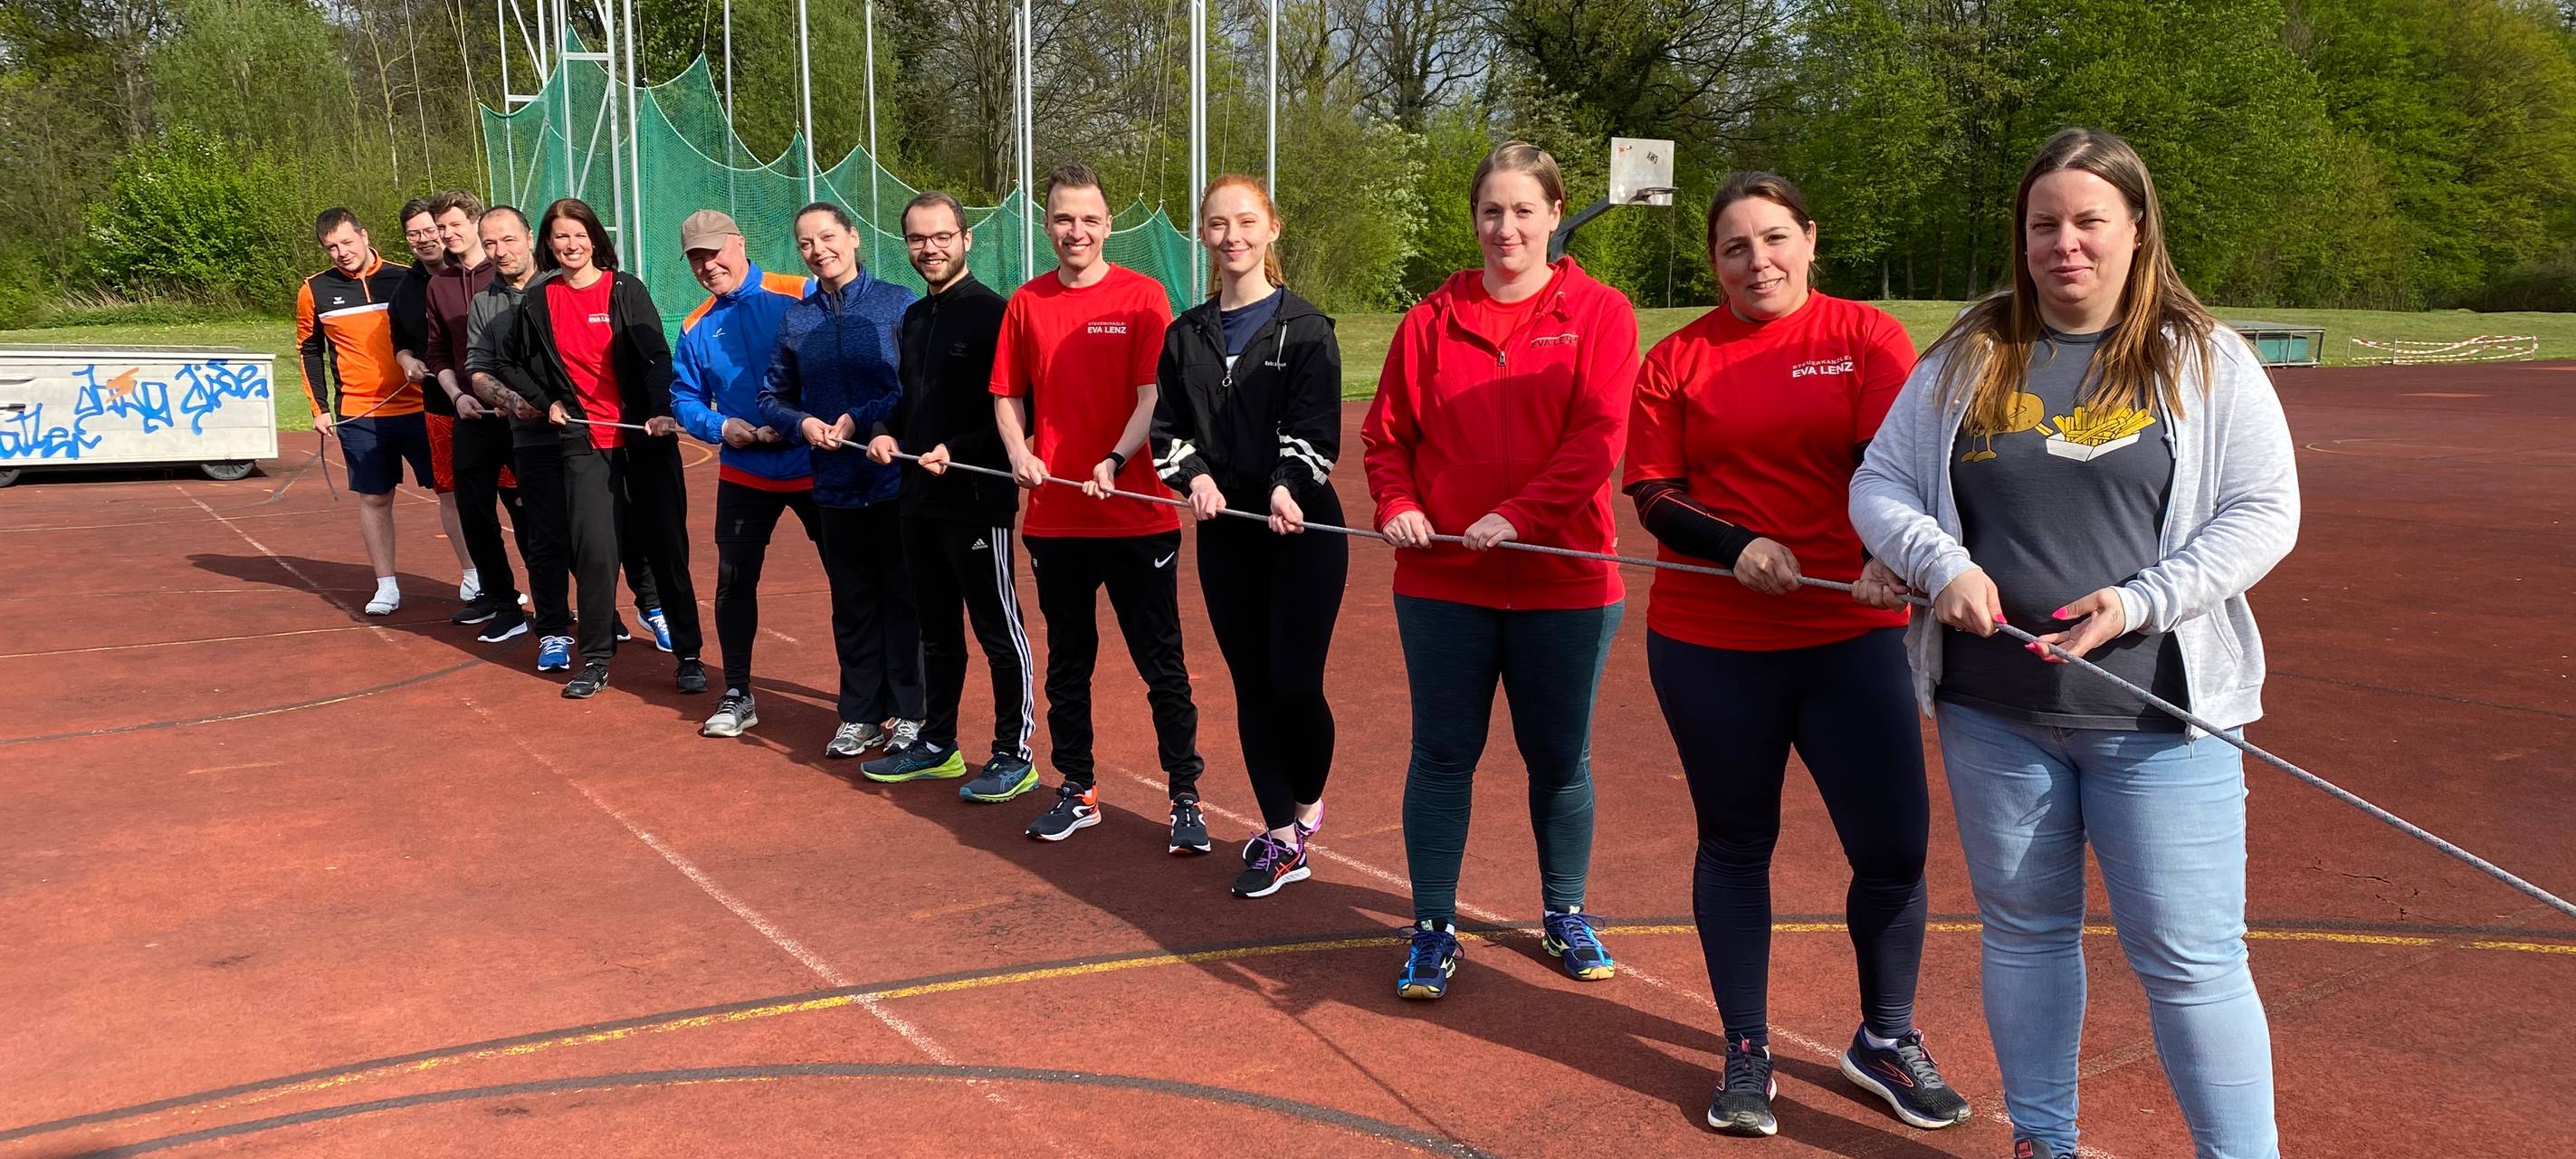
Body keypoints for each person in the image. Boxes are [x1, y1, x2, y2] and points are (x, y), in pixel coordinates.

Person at [1849, 127, 2298, 1159]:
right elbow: (1877, 481)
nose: (2065, 243)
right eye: (2043, 222)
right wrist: (1937, 564)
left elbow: (2262, 510)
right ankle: (2041, 1141)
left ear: (2135, 229)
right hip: (1994, 710)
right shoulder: (1970, 350)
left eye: (2089, 221)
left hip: (2157, 718)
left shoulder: (2201, 357)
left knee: (2189, 958)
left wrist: (2143, 599)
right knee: (2023, 933)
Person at [1625, 170, 1969, 1137]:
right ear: (1712, 262)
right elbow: (1652, 491)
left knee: (1893, 846)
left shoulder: (1863, 337)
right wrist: (1737, 546)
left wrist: (1876, 559)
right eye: (1733, 247)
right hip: (1710, 640)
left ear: (1808, 240)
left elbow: (1890, 471)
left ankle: (1884, 1036)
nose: (1756, 260)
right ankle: (1744, 1049)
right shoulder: (1677, 358)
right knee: (1735, 841)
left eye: (1772, 238)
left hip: (1848, 632)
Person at [1360, 141, 1636, 998]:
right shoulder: (1428, 322)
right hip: (1444, 584)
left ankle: (1564, 914)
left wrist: (1517, 518)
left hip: (1566, 582)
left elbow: (1598, 439)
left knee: (1559, 758)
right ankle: (1433, 926)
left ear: (1557, 214)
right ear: (1474, 219)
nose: (1506, 227)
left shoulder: (1602, 312)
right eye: (1492, 211)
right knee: (1442, 754)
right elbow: (1385, 439)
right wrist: (1397, 503)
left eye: (1524, 210)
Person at [990, 163, 1208, 852]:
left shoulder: (1144, 298)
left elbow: (1153, 399)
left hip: (1135, 516)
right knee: (1068, 664)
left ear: (1108, 225)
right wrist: (1020, 452)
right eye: (1062, 218)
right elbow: (1006, 394)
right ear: (1047, 224)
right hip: (1056, 521)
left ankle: (1184, 798)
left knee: (1161, 665)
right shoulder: (1026, 302)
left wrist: (1113, 459)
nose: (1075, 231)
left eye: (1088, 218)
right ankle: (1077, 789)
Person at [1149, 175, 1345, 898]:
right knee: (1252, 686)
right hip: (1225, 537)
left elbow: (1316, 431)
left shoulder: (1307, 327)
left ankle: (1305, 804)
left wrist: (1287, 487)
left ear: (1272, 229)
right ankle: (1282, 838)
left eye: (1245, 222)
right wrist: (1195, 479)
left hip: (1301, 534)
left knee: (1295, 682)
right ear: (1203, 235)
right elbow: (1167, 435)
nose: (1232, 236)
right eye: (1217, 225)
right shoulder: (1185, 334)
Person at [857, 192, 1039, 799]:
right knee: (935, 629)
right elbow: (910, 405)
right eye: (916, 239)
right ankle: (938, 745)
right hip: (916, 498)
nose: (929, 249)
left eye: (940, 237)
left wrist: (955, 452)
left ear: (966, 238)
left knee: (997, 627)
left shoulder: (996, 314)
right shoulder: (913, 318)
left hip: (976, 500)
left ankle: (1015, 753)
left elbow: (1017, 412)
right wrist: (882, 432)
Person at [493, 197, 707, 699]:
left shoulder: (625, 289)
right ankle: (595, 659)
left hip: (645, 442)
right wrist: (546, 401)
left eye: (578, 234)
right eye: (559, 236)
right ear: (547, 243)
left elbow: (657, 356)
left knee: (666, 550)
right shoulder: (538, 302)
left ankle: (690, 655)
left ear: (595, 238)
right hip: (584, 443)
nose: (570, 245)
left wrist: (658, 410)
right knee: (594, 552)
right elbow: (508, 363)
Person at [754, 202, 923, 757]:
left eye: (828, 237)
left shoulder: (897, 305)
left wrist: (865, 420)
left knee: (904, 599)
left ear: (853, 237)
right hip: (833, 485)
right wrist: (801, 423)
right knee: (852, 602)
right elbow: (770, 397)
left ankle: (909, 713)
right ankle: (859, 713)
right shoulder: (797, 319)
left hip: (895, 481)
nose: (818, 250)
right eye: (806, 243)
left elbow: (913, 387)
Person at [661, 209, 817, 738]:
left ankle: (873, 701)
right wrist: (721, 425)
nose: (708, 265)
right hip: (746, 473)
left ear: (739, 243)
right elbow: (683, 397)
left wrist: (798, 424)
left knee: (855, 581)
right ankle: (737, 693)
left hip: (816, 467)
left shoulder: (800, 291)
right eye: (696, 258)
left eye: (715, 252)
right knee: (733, 583)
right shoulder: (694, 324)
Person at [297, 206, 426, 616]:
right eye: (331, 247)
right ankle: (386, 586)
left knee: (453, 494)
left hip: (422, 407)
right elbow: (309, 350)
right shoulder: (313, 290)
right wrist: (318, 408)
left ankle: (475, 577)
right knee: (375, 498)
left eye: (347, 242)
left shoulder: (408, 277)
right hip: (360, 414)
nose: (341, 252)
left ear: (365, 236)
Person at [420, 187, 531, 643]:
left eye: (453, 225)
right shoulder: (439, 284)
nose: (445, 234)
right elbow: (438, 350)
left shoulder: (505, 275)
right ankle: (503, 602)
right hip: (470, 413)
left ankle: (574, 608)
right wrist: (456, 395)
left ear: (476, 223)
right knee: (473, 511)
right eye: (440, 227)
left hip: (523, 415)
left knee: (533, 513)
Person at [388, 196, 480, 595]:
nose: (426, 239)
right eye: (415, 234)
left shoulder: (486, 272)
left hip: (499, 406)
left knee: (517, 496)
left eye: (432, 229)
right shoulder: (405, 290)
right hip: (442, 405)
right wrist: (406, 360)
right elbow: (402, 343)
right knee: (451, 492)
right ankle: (475, 577)